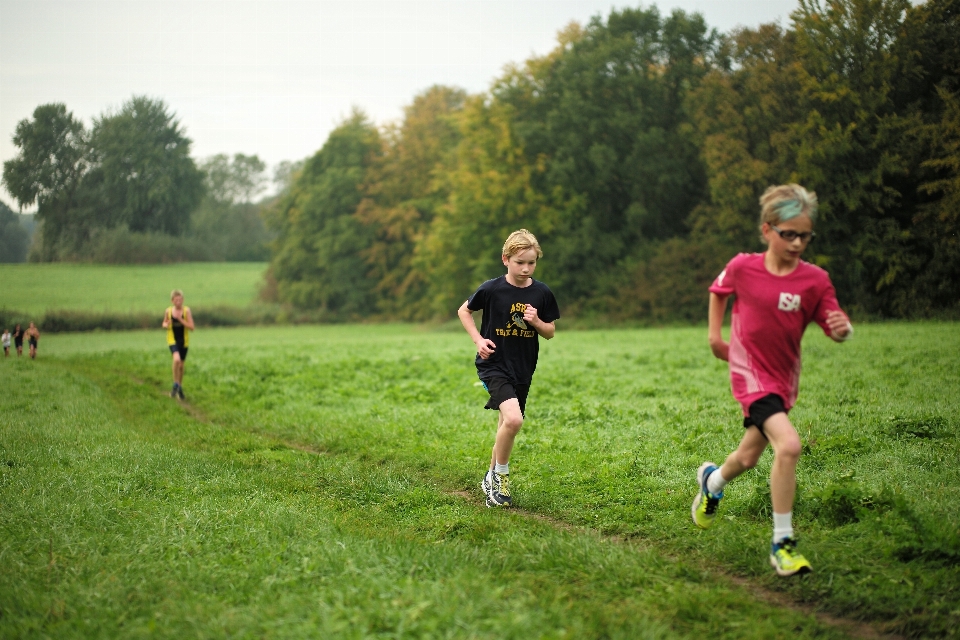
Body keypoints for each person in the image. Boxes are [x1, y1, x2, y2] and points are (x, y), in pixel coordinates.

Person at [691, 184, 853, 577]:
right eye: (789, 234)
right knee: (790, 445)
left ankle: (712, 482)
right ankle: (783, 543)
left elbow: (834, 325)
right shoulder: (744, 266)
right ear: (767, 230)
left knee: (748, 458)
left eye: (805, 235)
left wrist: (843, 329)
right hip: (748, 372)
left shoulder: (815, 280)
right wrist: (715, 337)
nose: (798, 243)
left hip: (783, 379)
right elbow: (719, 291)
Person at [458, 229, 560, 507]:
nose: (526, 268)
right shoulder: (491, 289)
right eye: (519, 262)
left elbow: (550, 332)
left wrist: (537, 321)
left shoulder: (542, 293)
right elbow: (463, 310)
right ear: (506, 259)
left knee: (506, 424)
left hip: (524, 368)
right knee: (514, 420)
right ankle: (500, 478)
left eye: (531, 262)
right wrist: (478, 340)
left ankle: (490, 477)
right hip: (493, 366)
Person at [161, 289, 194, 399]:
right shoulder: (168, 311)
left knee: (181, 365)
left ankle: (179, 387)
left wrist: (180, 319)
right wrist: (166, 325)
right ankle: (175, 384)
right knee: (176, 360)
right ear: (172, 301)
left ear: (183, 300)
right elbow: (164, 323)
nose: (178, 302)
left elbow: (191, 327)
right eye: (176, 300)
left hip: (184, 341)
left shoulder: (186, 311)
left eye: (180, 300)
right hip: (172, 340)